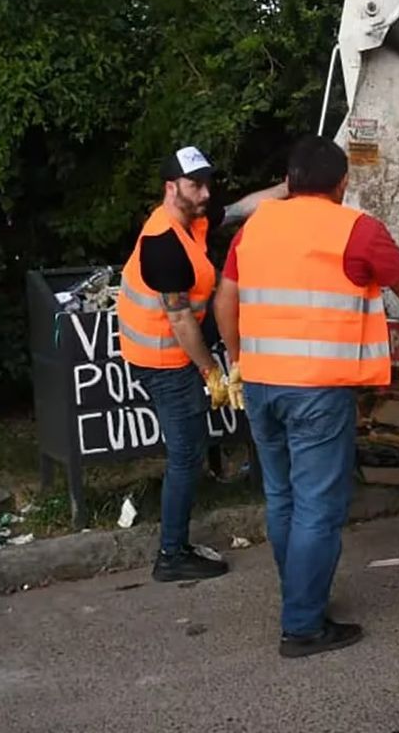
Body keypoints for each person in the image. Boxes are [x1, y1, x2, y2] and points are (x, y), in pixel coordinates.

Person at [215, 134, 399, 658]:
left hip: (261, 385)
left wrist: (238, 359)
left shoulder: (255, 227)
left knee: (283, 498)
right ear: (343, 182)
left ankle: (300, 600)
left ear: (287, 184)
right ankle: (303, 625)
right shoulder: (356, 230)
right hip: (316, 391)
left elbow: (226, 297)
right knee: (316, 506)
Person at [117, 146, 285, 584]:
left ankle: (176, 546)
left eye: (207, 183)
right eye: (196, 185)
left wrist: (290, 188)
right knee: (186, 455)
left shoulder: (191, 220)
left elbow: (242, 208)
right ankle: (172, 554)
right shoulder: (163, 245)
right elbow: (178, 322)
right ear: (171, 188)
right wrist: (210, 371)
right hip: (167, 361)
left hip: (171, 353)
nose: (206, 192)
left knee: (187, 451)